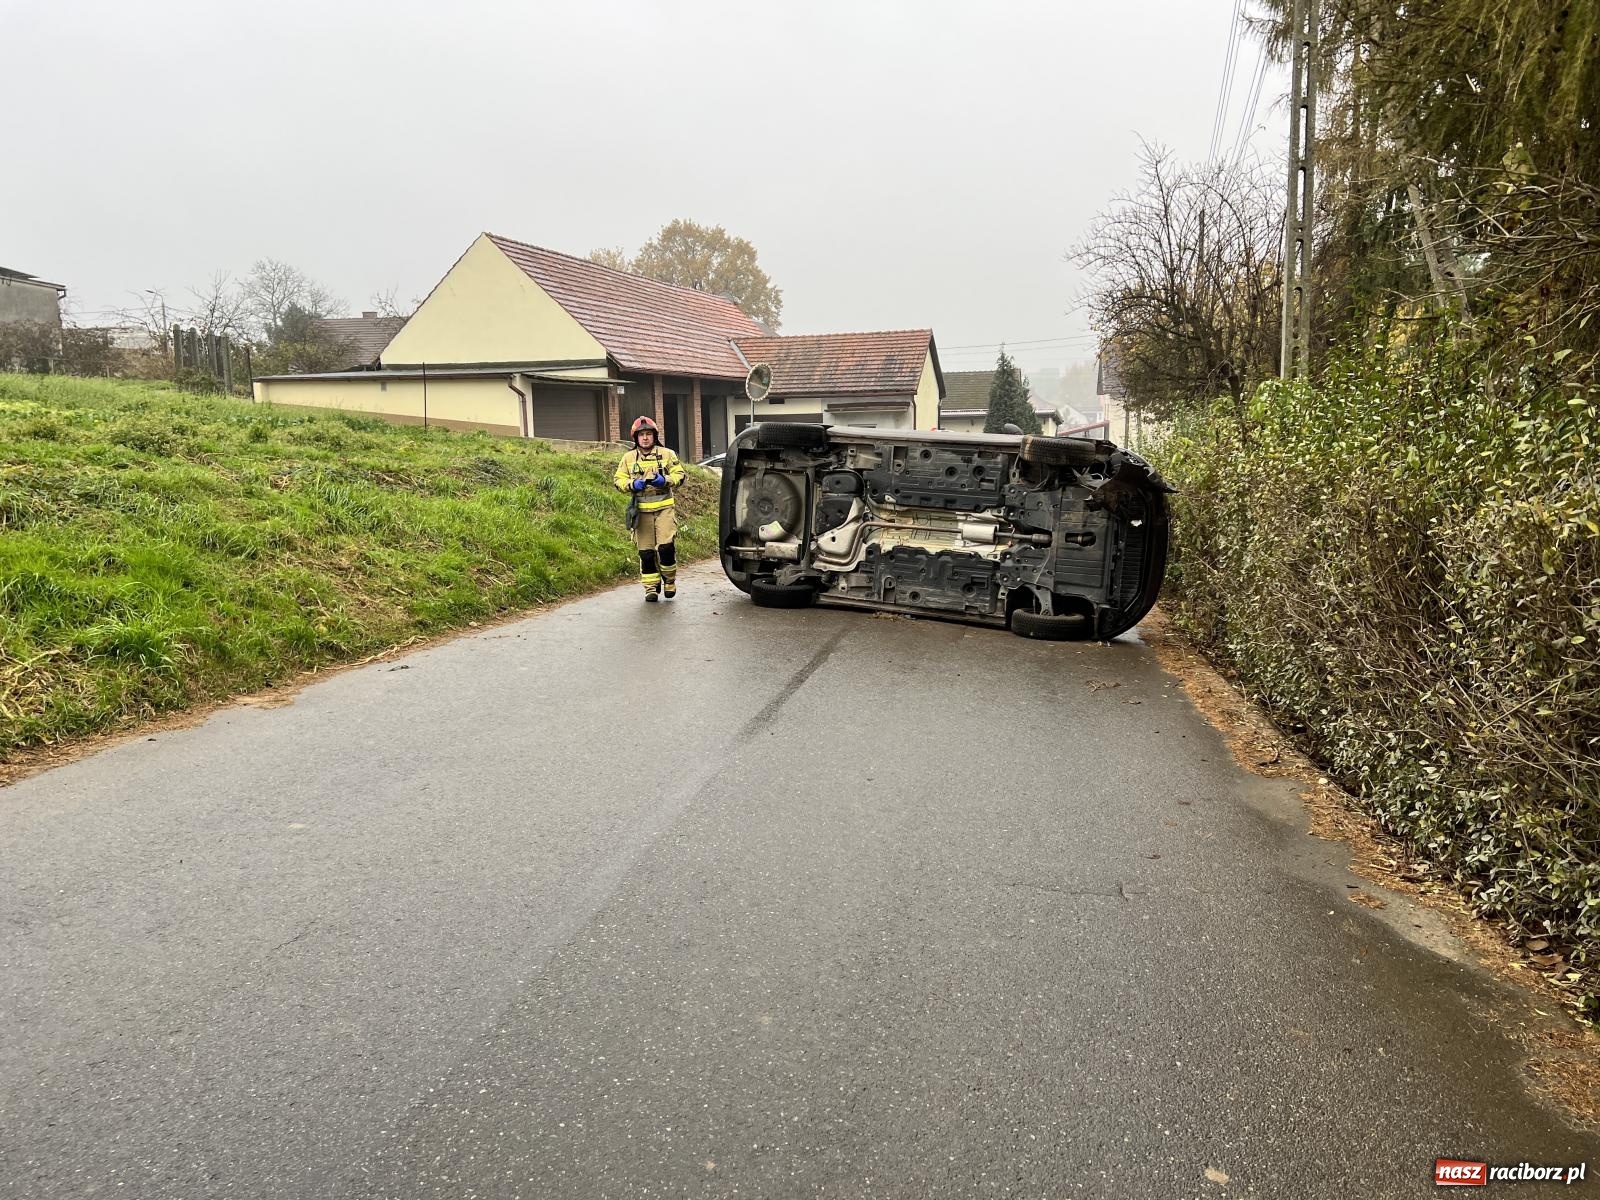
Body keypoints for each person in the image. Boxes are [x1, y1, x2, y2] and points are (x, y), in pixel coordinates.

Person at [613, 415, 687, 602]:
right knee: (646, 553)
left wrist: (665, 480)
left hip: (664, 509)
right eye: (641, 435)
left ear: (654, 436)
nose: (645, 438)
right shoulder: (628, 458)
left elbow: (680, 475)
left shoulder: (667, 454)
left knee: (666, 548)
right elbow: (618, 480)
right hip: (641, 512)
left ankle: (669, 580)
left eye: (648, 434)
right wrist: (632, 484)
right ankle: (651, 588)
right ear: (635, 438)